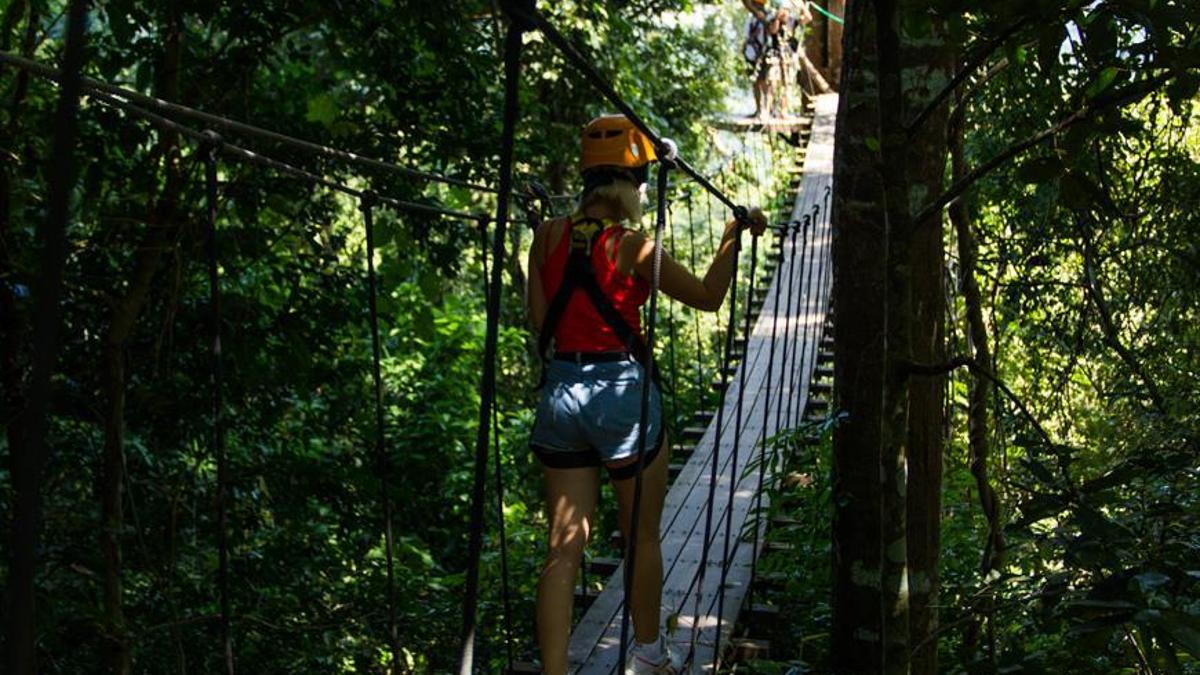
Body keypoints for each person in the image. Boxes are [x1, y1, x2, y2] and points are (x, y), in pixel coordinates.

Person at [525, 115, 766, 675]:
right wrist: (733, 234)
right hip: (622, 400)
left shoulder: (546, 237)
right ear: (630, 185)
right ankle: (649, 656)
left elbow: (542, 322)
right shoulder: (633, 247)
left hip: (563, 396)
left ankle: (555, 672)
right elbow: (709, 296)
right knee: (643, 539)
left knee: (562, 551)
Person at [742, 0, 812, 118]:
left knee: (785, 83)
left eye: (787, 11)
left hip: (787, 55)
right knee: (768, 82)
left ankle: (782, 111)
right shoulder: (772, 20)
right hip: (773, 54)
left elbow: (808, 18)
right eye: (784, 11)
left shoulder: (792, 22)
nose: (786, 13)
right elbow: (772, 30)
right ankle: (764, 110)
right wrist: (776, 19)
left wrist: (801, 6)